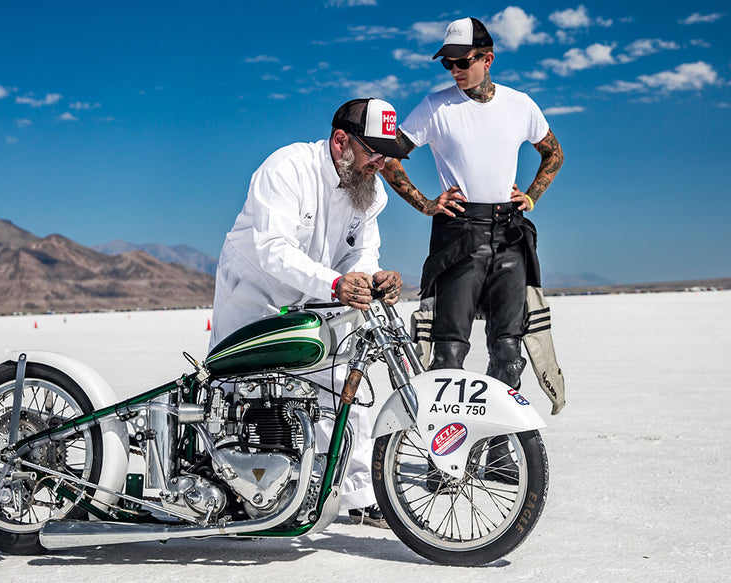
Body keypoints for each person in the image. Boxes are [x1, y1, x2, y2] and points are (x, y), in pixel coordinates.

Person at [380, 17, 564, 479]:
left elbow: (553, 152)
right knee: (449, 354)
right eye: (448, 64)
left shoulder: (521, 105)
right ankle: (444, 461)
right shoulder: (435, 107)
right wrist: (426, 203)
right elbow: (389, 158)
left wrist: (532, 196)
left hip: (509, 234)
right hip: (458, 234)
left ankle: (499, 456)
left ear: (488, 58)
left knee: (507, 349)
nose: (454, 71)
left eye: (463, 63)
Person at [209, 98, 407, 526]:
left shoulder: (368, 191)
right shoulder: (286, 169)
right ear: (341, 142)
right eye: (374, 151)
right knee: (235, 390)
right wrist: (335, 284)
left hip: (315, 295)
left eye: (387, 152)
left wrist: (372, 278)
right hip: (254, 293)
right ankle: (228, 488)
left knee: (341, 383)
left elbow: (362, 251)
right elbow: (273, 249)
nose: (382, 162)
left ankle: (358, 497)